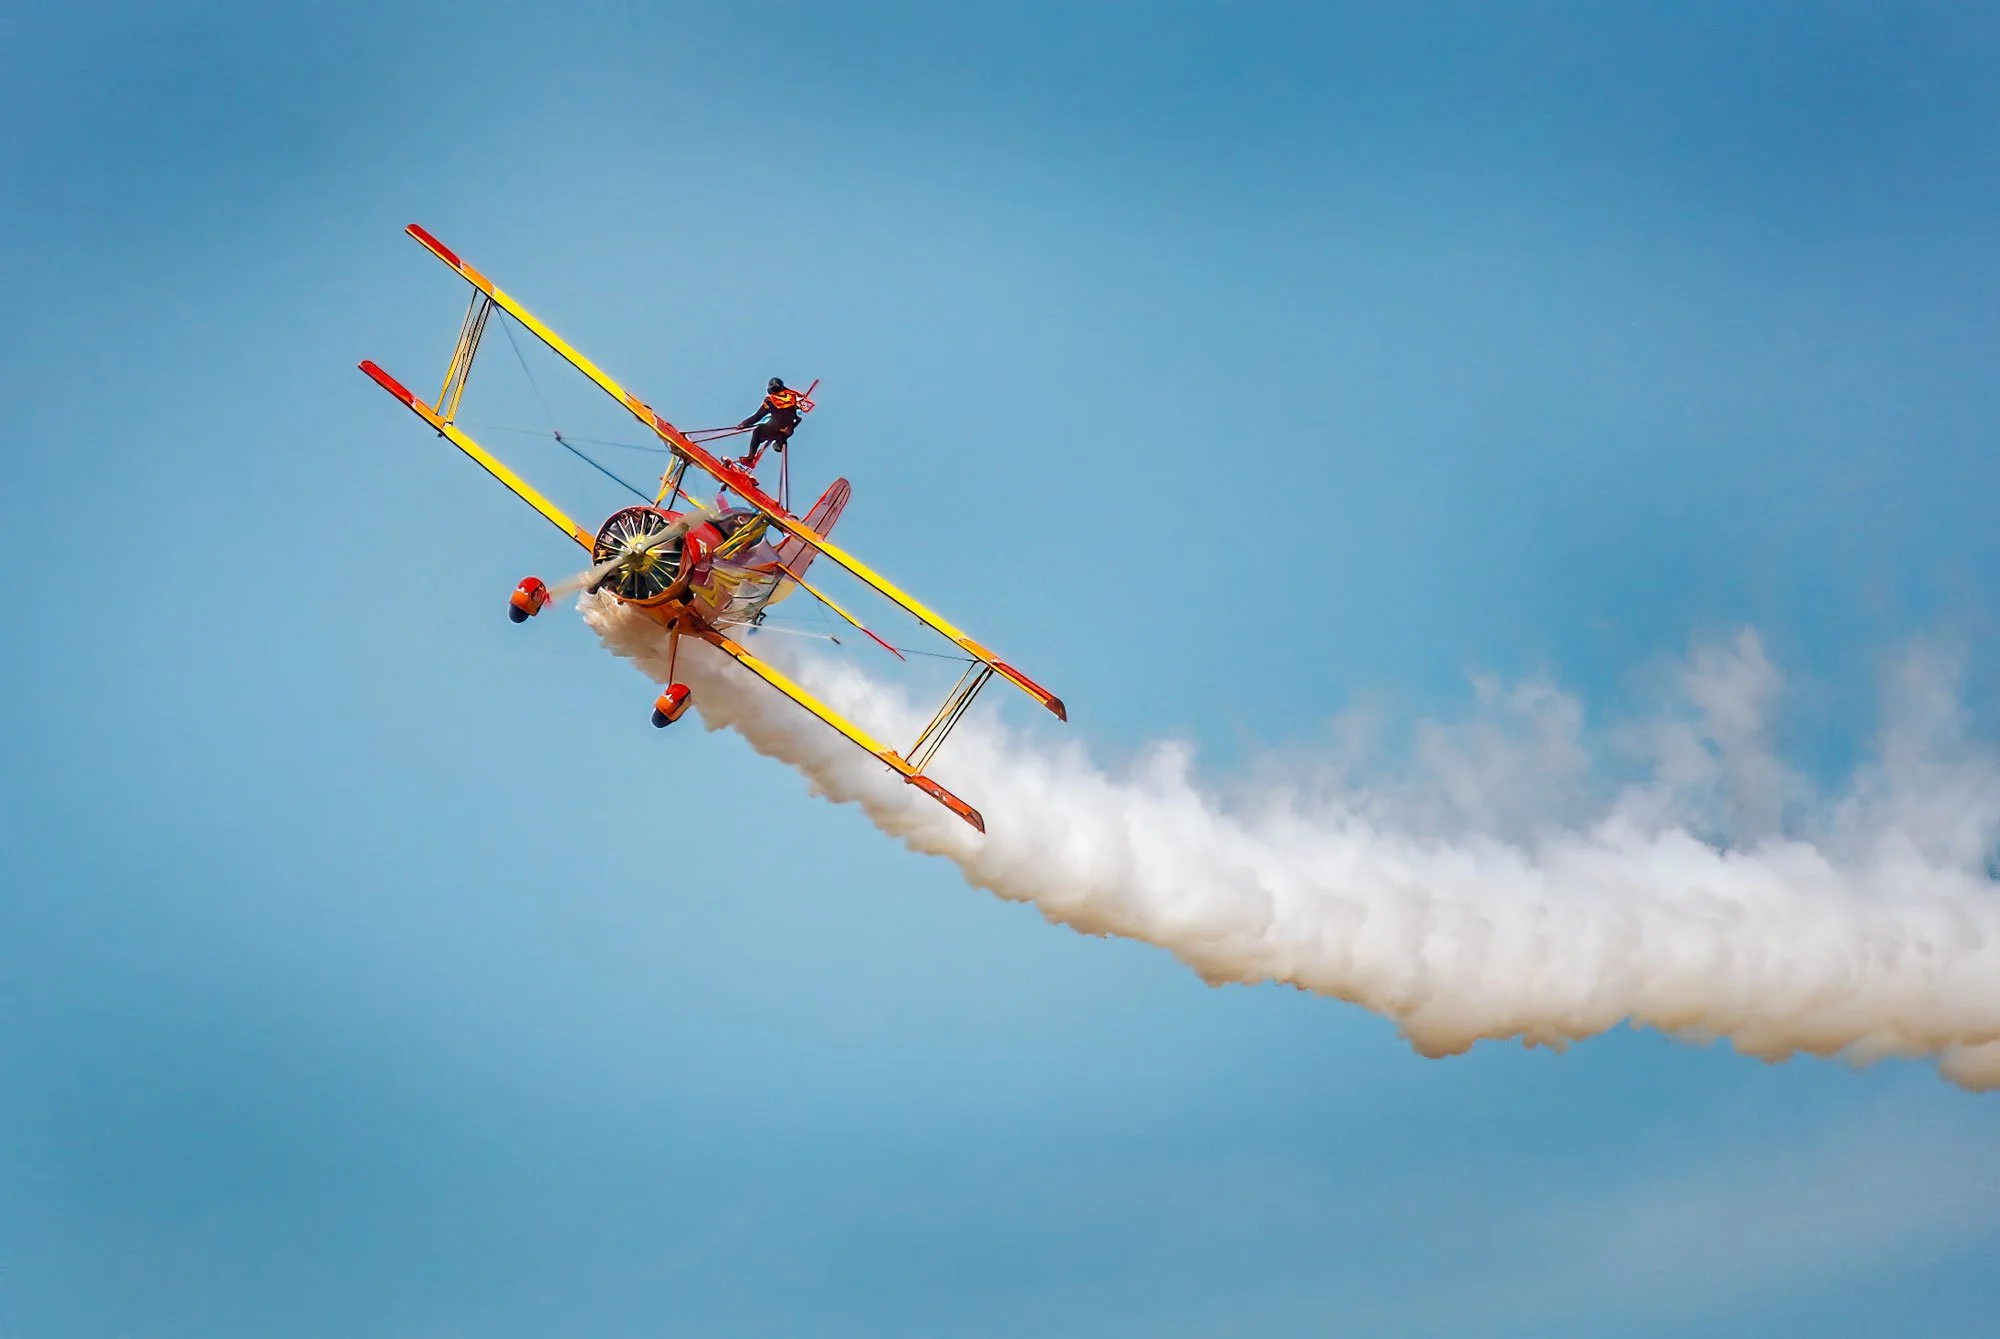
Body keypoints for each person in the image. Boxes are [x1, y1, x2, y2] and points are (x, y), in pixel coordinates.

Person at [735, 377, 802, 466]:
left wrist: (744, 424)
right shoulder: (792, 397)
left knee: (758, 431)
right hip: (786, 430)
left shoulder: (770, 401)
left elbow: (757, 416)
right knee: (782, 430)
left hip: (773, 428)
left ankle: (750, 458)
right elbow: (798, 418)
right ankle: (779, 441)